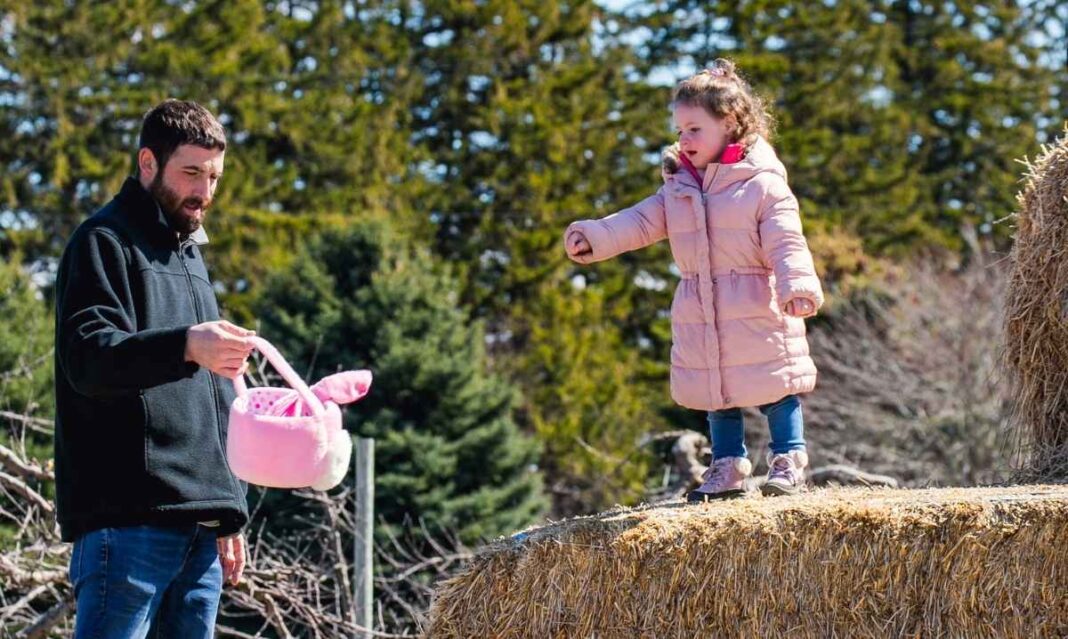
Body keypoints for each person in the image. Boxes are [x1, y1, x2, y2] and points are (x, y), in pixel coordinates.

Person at [564, 59, 824, 501]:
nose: (684, 140)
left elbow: (787, 240)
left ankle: (788, 459)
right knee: (716, 394)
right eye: (680, 130)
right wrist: (596, 235)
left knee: (778, 386)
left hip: (757, 302)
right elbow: (641, 220)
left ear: (730, 123)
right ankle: (727, 466)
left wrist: (798, 284)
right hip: (701, 307)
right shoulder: (679, 187)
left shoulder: (762, 185)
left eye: (694, 129)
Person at [55, 99, 254, 637]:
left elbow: (215, 401)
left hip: (201, 531)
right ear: (148, 163)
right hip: (128, 526)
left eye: (213, 177)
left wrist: (229, 508)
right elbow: (89, 359)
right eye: (191, 173)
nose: (204, 193)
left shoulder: (191, 256)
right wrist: (188, 343)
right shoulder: (103, 243)